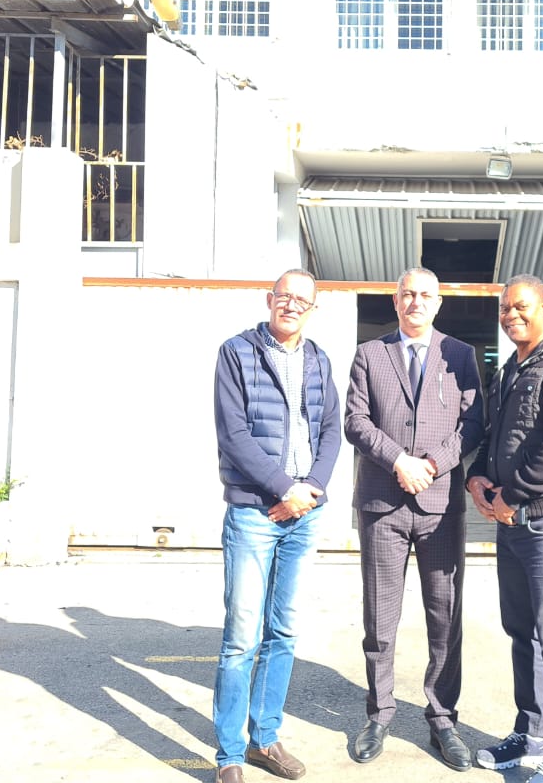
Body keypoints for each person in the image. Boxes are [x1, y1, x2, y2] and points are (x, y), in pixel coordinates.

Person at [344, 267, 485, 771]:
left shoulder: (460, 355)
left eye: (425, 294)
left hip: (439, 507)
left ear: (438, 303)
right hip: (382, 505)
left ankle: (443, 718)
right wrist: (398, 461)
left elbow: (474, 423)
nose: (416, 302)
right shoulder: (370, 354)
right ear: (396, 302)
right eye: (407, 294)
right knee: (380, 618)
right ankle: (379, 713)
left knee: (444, 617)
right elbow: (355, 421)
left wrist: (432, 464)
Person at [212, 268, 341, 783]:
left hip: (304, 513)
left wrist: (311, 490)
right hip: (254, 513)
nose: (291, 305)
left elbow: (331, 431)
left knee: (283, 630)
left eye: (301, 300)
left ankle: (265, 739)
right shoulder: (236, 353)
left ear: (312, 309)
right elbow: (233, 434)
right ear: (269, 300)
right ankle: (229, 755)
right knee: (241, 637)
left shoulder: (319, 359)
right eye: (284, 296)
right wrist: (285, 488)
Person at [466, 274, 543, 783]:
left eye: (520, 306)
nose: (511, 315)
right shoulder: (510, 369)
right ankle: (530, 733)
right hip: (512, 523)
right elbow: (495, 435)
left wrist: (511, 494)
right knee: (523, 633)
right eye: (505, 309)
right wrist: (478, 475)